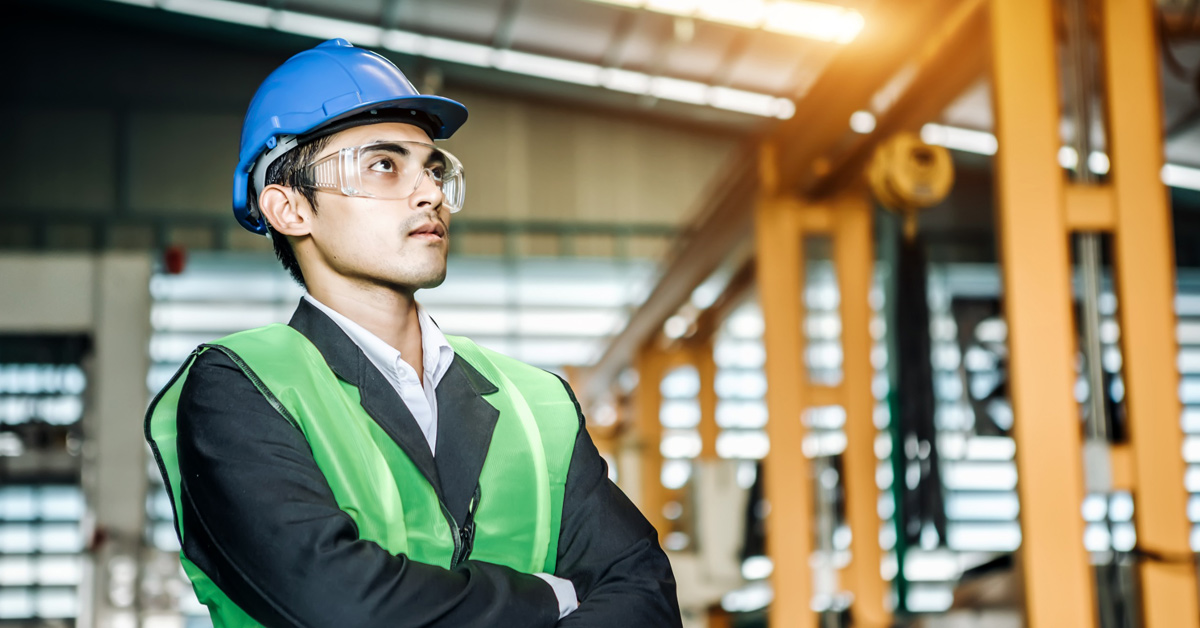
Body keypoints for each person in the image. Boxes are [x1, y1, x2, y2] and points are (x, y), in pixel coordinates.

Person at [145, 38, 681, 627]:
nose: (429, 193)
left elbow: (642, 590)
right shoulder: (240, 386)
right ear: (290, 209)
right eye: (383, 165)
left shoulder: (538, 403)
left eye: (431, 168)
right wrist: (548, 598)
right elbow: (342, 605)